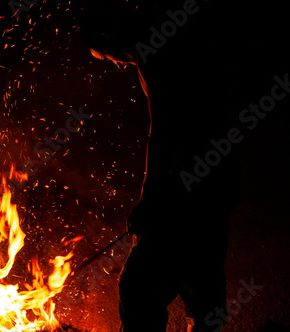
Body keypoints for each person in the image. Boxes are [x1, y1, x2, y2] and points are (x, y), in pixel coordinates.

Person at [81, 0, 242, 331]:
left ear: (109, 34)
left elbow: (165, 130)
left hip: (188, 187)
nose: (116, 64)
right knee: (202, 273)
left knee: (139, 288)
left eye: (108, 56)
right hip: (218, 175)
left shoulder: (154, 50)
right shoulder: (174, 33)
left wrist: (149, 200)